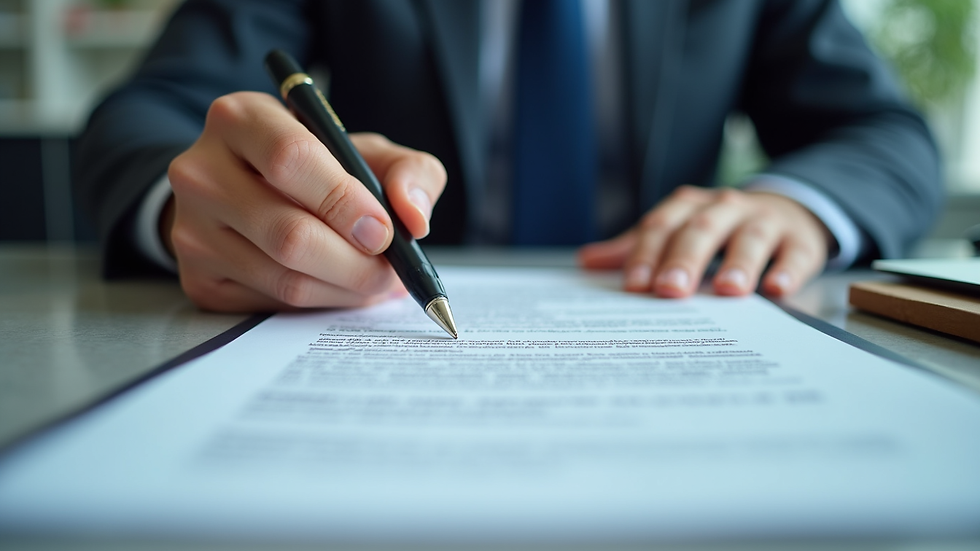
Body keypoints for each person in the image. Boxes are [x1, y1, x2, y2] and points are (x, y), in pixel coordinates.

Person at [74, 0, 942, 313]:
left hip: (661, 306)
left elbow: (887, 134)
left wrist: (796, 204)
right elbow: (147, 114)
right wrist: (197, 204)